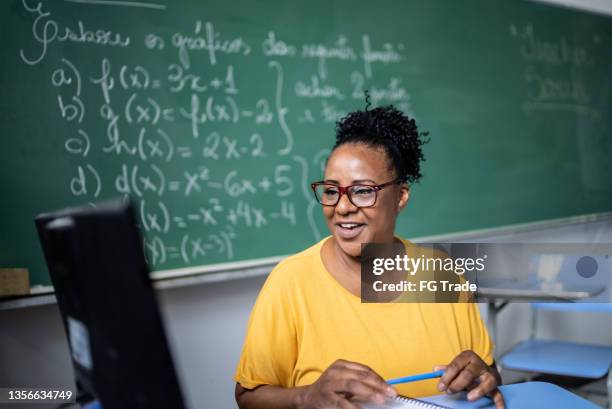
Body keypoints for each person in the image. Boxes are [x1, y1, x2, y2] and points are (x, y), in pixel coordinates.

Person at [234, 104, 504, 409]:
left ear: (400, 196)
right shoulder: (290, 282)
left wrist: (483, 375)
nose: (343, 206)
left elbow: (486, 372)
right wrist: (304, 397)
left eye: (362, 191)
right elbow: (247, 397)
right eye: (331, 191)